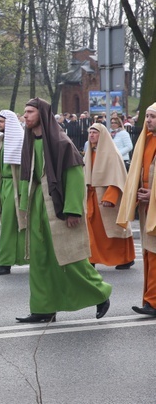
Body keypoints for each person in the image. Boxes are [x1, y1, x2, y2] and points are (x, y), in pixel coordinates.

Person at [16, 98, 111, 323]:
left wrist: (73, 211)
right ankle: (43, 308)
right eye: (24, 112)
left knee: (71, 257)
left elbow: (76, 177)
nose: (25, 116)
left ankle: (101, 293)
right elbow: (27, 176)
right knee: (39, 259)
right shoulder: (29, 141)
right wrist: (24, 207)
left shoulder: (61, 143)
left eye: (30, 112)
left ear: (42, 114)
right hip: (38, 206)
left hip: (57, 207)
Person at [117, 103, 156, 316]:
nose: (148, 120)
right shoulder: (146, 140)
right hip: (146, 207)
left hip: (154, 203)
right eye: (147, 116)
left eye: (152, 117)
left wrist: (153, 195)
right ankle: (151, 301)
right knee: (149, 253)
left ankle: (153, 302)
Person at [84, 123, 135, 269]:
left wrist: (110, 197)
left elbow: (118, 177)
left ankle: (125, 258)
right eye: (90, 132)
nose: (91, 135)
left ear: (102, 135)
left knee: (115, 230)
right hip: (92, 198)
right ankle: (92, 258)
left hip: (107, 199)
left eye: (95, 132)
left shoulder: (112, 153)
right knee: (91, 230)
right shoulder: (89, 153)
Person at [0, 110, 29, 275]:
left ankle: (5, 263)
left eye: (1, 121)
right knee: (8, 224)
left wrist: (22, 191)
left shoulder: (19, 140)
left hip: (15, 186)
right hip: (4, 187)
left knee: (12, 225)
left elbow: (23, 169)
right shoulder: (1, 140)